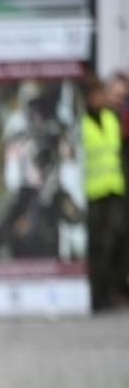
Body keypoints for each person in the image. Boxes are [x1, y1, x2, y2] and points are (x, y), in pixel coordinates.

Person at [83, 77, 126, 311]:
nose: (101, 100)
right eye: (97, 96)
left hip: (114, 188)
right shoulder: (81, 123)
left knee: (112, 244)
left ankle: (108, 292)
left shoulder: (112, 118)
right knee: (96, 247)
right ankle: (96, 294)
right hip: (92, 192)